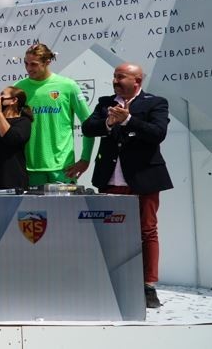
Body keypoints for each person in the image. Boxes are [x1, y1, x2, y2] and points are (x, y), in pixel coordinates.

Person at [81, 63, 173, 309]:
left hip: (144, 179)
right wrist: (109, 122)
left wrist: (129, 119)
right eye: (114, 76)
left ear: (137, 80)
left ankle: (148, 286)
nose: (115, 81)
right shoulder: (105, 102)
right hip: (111, 180)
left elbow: (158, 133)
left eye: (121, 77)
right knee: (110, 233)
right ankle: (112, 282)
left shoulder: (155, 103)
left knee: (147, 231)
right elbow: (88, 128)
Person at [14, 43, 94, 186]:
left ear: (47, 62)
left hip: (63, 168)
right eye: (26, 63)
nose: (28, 68)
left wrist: (85, 159)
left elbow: (89, 124)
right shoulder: (18, 88)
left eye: (34, 64)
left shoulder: (68, 86)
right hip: (29, 168)